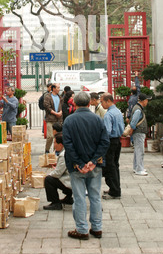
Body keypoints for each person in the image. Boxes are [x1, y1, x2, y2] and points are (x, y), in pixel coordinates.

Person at [63, 91, 110, 240]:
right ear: (89, 103)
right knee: (95, 197)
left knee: (79, 198)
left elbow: (68, 145)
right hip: (94, 166)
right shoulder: (97, 119)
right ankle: (97, 228)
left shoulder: (69, 121)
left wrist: (79, 162)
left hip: (77, 166)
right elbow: (105, 142)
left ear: (74, 104)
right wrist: (93, 160)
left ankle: (82, 229)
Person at [100, 93, 124, 199]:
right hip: (117, 140)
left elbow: (107, 131)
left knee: (110, 166)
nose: (101, 104)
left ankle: (114, 191)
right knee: (115, 165)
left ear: (108, 101)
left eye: (102, 102)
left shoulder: (108, 115)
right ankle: (115, 188)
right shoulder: (117, 111)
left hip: (110, 141)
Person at [43, 133, 73, 210]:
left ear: (61, 144)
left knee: (48, 180)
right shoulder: (68, 151)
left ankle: (55, 203)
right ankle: (68, 198)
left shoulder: (63, 154)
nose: (54, 145)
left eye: (55, 143)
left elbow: (57, 173)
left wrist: (48, 175)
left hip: (70, 182)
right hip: (72, 179)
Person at [129, 92, 150, 176]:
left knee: (137, 150)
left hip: (137, 132)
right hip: (139, 132)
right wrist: (132, 129)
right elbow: (134, 122)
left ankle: (136, 167)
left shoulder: (137, 107)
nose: (147, 102)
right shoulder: (138, 109)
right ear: (143, 101)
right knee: (140, 151)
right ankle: (139, 169)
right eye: (147, 100)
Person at [43, 83, 63, 153]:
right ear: (53, 88)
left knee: (58, 136)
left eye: (59, 87)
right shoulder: (48, 97)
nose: (59, 89)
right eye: (57, 87)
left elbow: (61, 106)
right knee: (50, 136)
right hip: (50, 119)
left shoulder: (60, 97)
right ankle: (47, 149)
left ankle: (56, 150)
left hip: (58, 120)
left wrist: (60, 112)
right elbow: (47, 107)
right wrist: (55, 113)